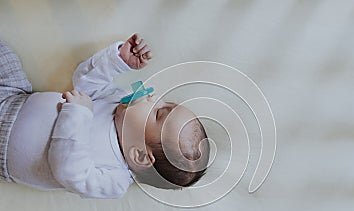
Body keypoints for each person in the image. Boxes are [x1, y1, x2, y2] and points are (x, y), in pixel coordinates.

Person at [0, 34, 210, 199]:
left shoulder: (114, 179)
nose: (153, 97)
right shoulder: (117, 102)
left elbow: (69, 172)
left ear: (141, 156)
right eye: (163, 101)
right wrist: (118, 62)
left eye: (157, 112)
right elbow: (84, 82)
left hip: (4, 149)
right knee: (6, 57)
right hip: (14, 96)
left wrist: (78, 114)